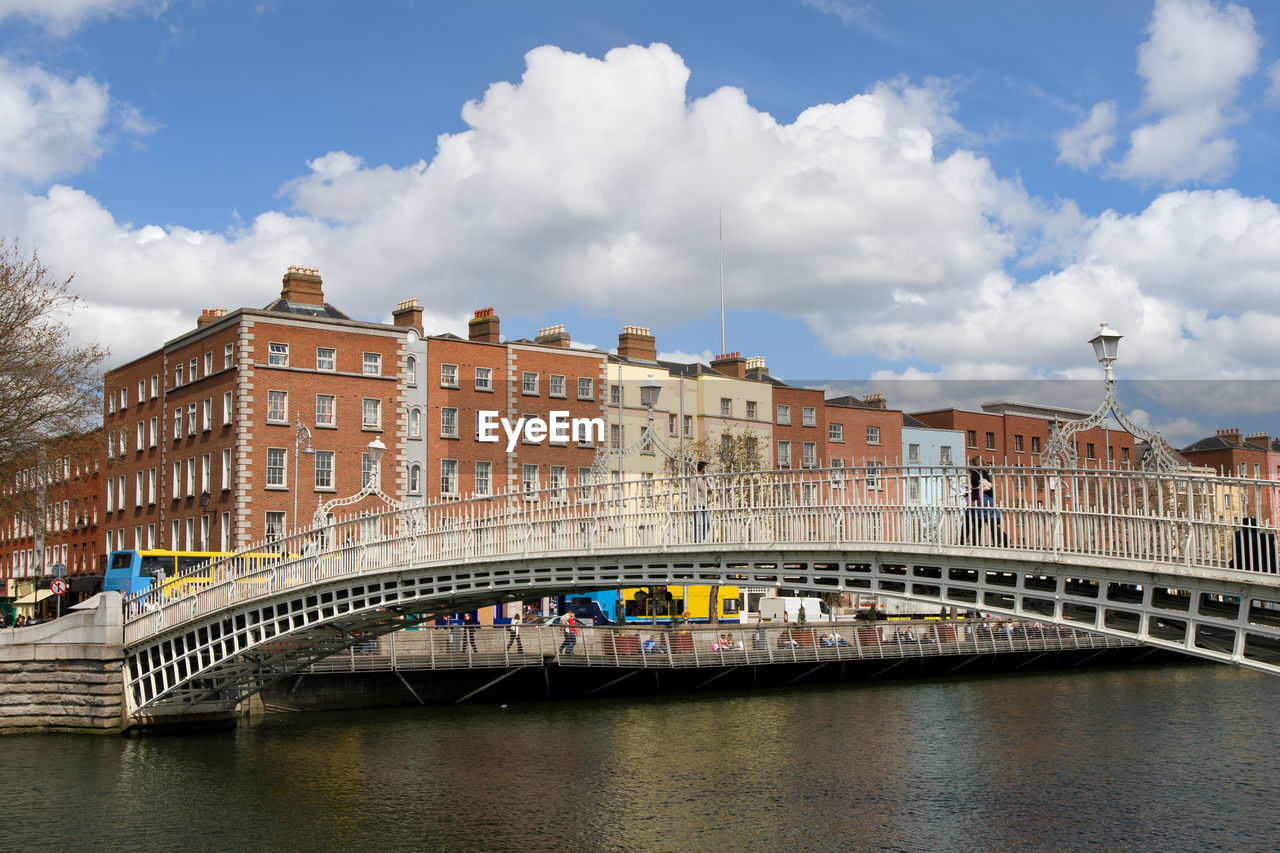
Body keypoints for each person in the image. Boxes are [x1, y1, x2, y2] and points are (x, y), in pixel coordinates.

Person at [691, 460, 711, 542]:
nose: (705, 469)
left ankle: (702, 537)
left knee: (708, 522)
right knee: (698, 523)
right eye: (705, 467)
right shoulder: (694, 478)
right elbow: (691, 492)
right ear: (702, 468)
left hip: (705, 503)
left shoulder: (705, 478)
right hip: (697, 503)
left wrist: (709, 490)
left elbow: (708, 488)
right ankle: (697, 541)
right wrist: (690, 505)